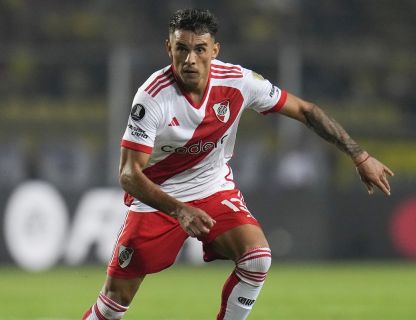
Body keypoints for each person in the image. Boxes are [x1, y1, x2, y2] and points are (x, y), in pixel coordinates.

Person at [82, 8, 394, 320]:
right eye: (181, 49)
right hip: (159, 201)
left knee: (257, 259)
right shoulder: (152, 98)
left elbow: (306, 110)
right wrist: (179, 209)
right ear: (169, 49)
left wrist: (360, 155)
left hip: (213, 189)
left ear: (214, 51)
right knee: (113, 304)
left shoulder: (238, 82)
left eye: (200, 49)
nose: (190, 59)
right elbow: (129, 175)